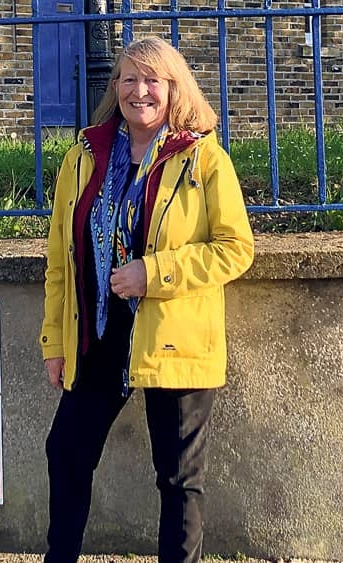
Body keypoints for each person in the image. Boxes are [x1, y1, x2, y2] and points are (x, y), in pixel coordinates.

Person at [39, 36, 255, 563]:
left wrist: (152, 273)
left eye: (152, 80)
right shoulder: (83, 156)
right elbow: (61, 260)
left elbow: (235, 249)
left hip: (173, 337)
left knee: (179, 480)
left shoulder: (204, 159)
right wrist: (54, 339)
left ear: (173, 89)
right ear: (115, 88)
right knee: (65, 452)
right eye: (128, 79)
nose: (139, 91)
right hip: (100, 331)